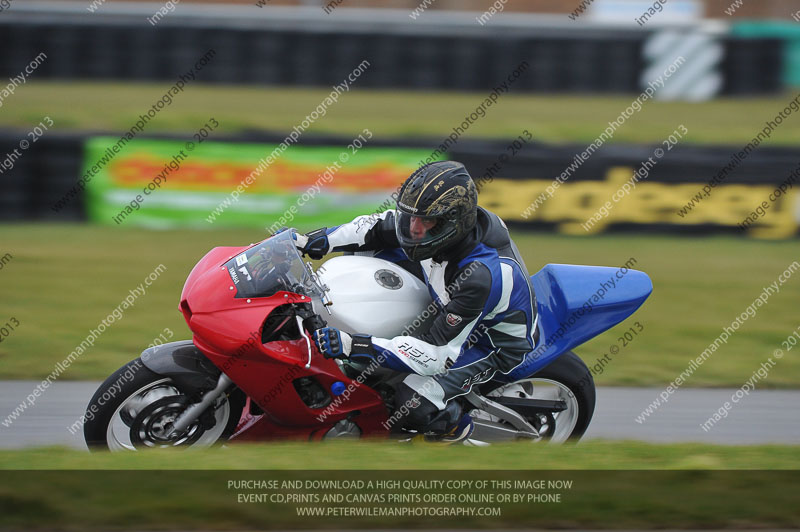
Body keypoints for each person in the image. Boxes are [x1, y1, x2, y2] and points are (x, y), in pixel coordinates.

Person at [296, 161, 538, 443]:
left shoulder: (478, 277)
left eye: (427, 222)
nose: (415, 229)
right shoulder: (434, 232)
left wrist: (355, 344)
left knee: (412, 400)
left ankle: (452, 429)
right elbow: (373, 227)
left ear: (454, 221)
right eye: (411, 218)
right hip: (449, 300)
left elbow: (436, 355)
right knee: (367, 254)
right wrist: (314, 241)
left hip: (490, 342)